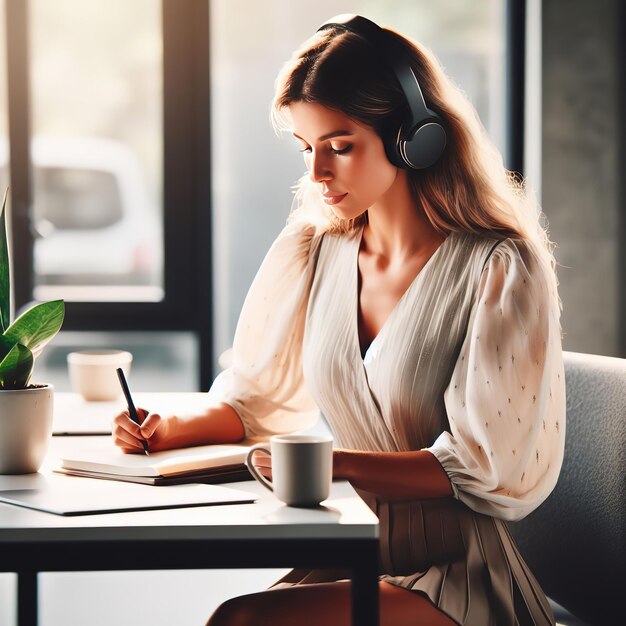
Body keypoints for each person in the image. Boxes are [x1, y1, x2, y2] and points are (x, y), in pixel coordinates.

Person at [113, 15, 565, 626]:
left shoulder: (499, 267)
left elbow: (486, 464)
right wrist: (169, 426)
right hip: (354, 555)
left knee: (241, 621)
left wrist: (340, 463)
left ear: (413, 136)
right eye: (308, 149)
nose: (318, 173)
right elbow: (255, 401)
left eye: (340, 146)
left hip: (456, 577)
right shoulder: (315, 250)